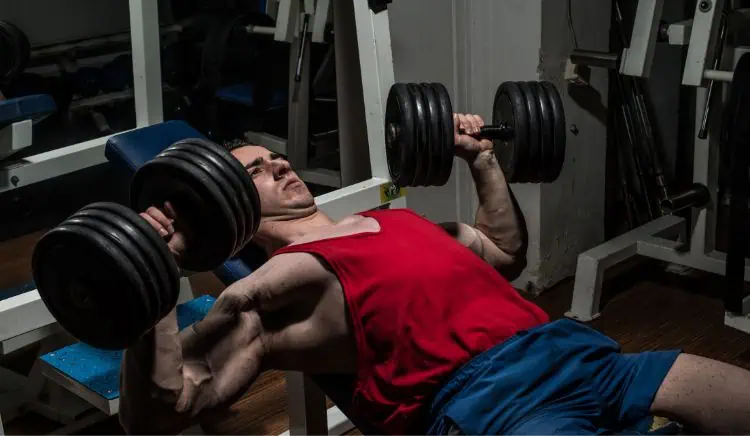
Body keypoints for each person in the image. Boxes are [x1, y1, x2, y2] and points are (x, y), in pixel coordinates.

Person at [120, 114, 750, 435]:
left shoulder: (391, 220)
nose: (281, 165)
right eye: (256, 170)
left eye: (277, 156)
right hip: (495, 407)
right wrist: (152, 277)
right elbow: (162, 411)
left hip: (581, 354)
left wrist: (481, 160)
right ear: (225, 205)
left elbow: (503, 252)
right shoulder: (272, 287)